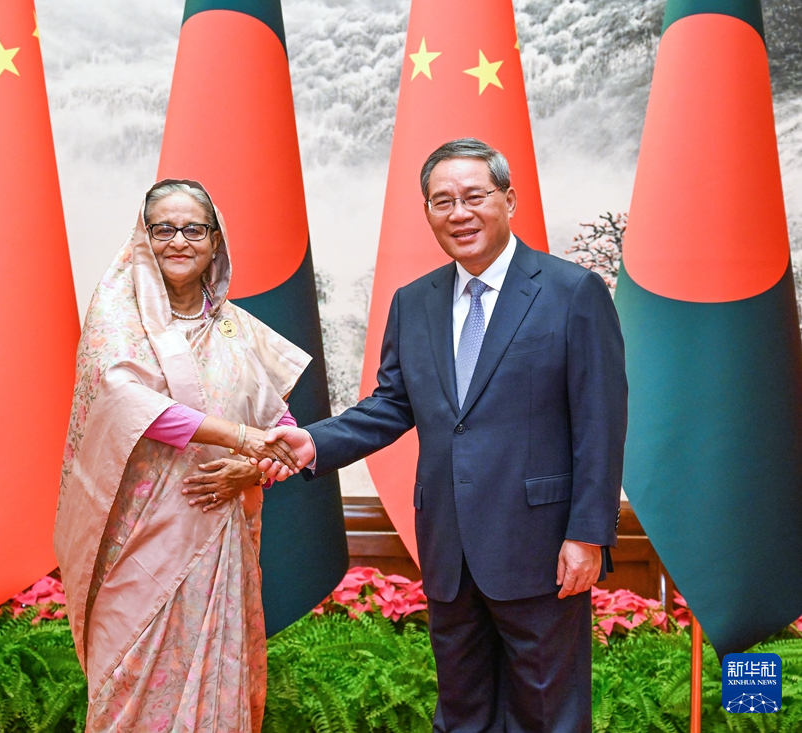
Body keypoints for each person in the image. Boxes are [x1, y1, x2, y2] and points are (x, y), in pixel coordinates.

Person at [262, 139, 628, 732]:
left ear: (509, 200)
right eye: (443, 201)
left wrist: (587, 534)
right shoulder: (415, 302)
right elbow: (392, 404)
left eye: (475, 196)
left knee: (547, 716)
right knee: (461, 715)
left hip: (541, 549)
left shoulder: (572, 292)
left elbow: (600, 423)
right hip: (449, 549)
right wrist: (315, 442)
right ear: (428, 211)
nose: (460, 213)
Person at [55, 179, 307, 732]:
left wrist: (253, 469)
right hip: (136, 544)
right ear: (142, 240)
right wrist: (240, 438)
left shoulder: (239, 330)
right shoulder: (117, 322)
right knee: (125, 685)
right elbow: (129, 404)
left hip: (219, 542)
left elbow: (283, 434)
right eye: (163, 229)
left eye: (194, 229)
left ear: (216, 242)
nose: (178, 241)